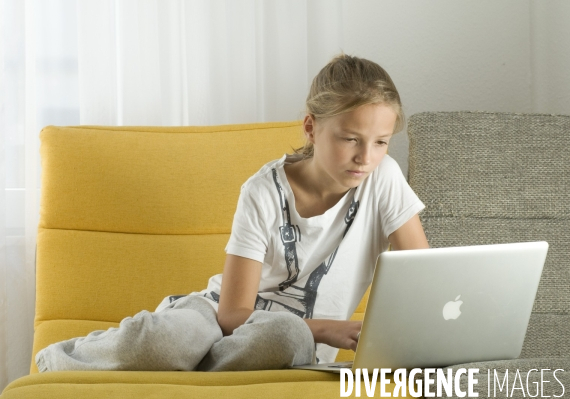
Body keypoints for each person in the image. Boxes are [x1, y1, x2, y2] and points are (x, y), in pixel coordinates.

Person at [35, 53, 429, 373]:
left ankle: (191, 364)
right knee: (174, 340)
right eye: (350, 139)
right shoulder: (262, 191)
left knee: (286, 339)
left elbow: (425, 277)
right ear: (311, 127)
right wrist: (328, 328)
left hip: (283, 341)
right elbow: (231, 314)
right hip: (216, 316)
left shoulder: (384, 179)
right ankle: (63, 357)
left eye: (380, 142)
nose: (366, 157)